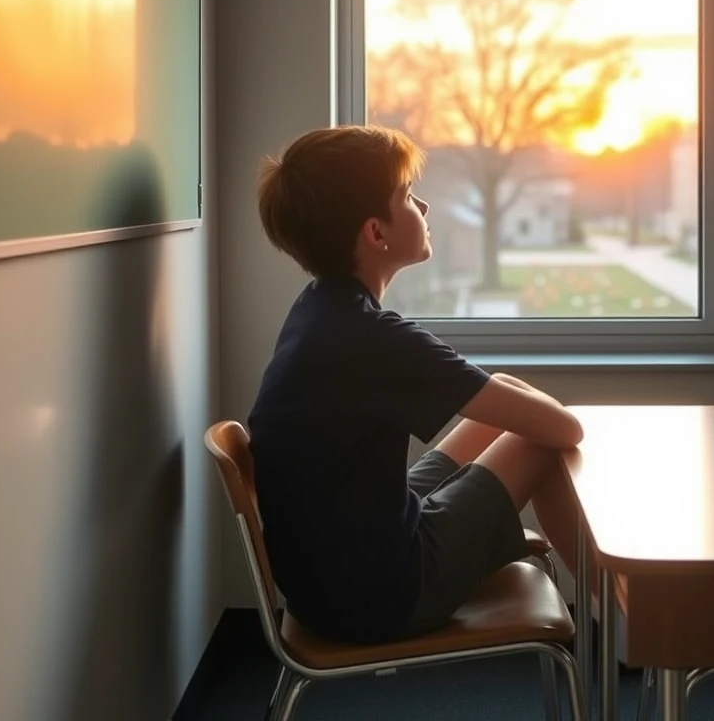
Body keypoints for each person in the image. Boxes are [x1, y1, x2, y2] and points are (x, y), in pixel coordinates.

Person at [248, 124, 586, 645]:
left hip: (330, 581)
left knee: (504, 389)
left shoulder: (320, 310)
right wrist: (549, 420)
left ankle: (607, 602)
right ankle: (615, 611)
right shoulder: (374, 340)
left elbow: (501, 391)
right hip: (382, 593)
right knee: (538, 440)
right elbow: (564, 428)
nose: (423, 208)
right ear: (376, 233)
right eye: (407, 196)